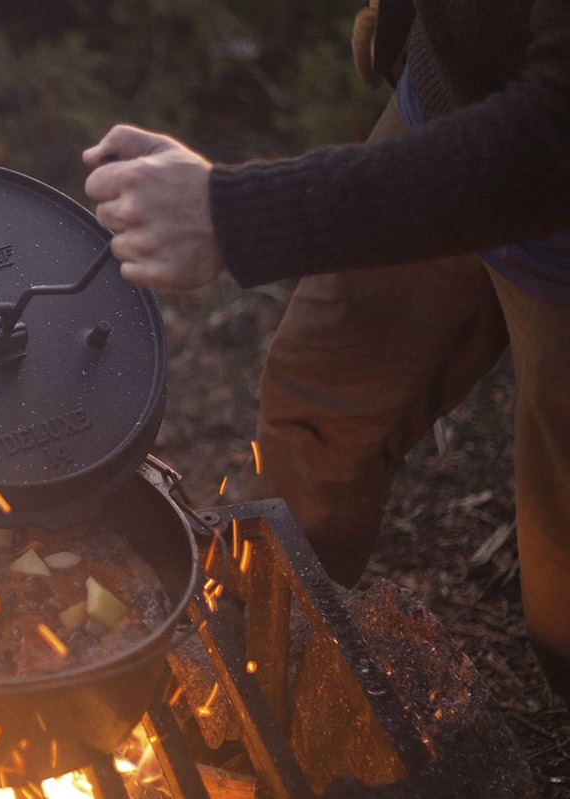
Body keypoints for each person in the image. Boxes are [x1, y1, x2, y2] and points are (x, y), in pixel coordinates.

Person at [82, 0, 570, 700]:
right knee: (321, 394)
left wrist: (238, 214)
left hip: (550, 161)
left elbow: (554, 142)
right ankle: (251, 671)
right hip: (452, 101)